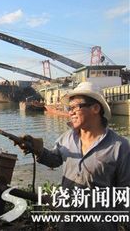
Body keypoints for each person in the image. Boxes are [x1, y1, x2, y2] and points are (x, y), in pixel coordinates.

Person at [20, 82, 130, 230]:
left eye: (74, 108)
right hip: (66, 224)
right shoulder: (67, 138)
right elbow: (54, 160)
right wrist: (37, 149)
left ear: (95, 108)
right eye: (68, 108)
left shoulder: (119, 147)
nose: (70, 112)